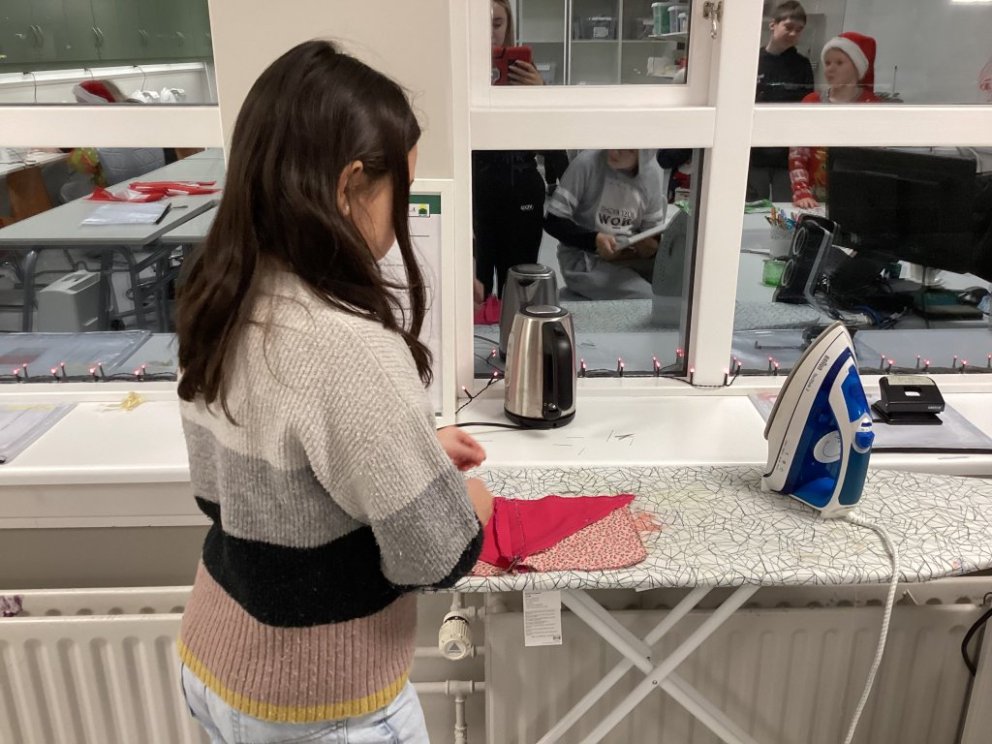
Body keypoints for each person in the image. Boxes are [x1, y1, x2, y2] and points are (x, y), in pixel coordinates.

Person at [174, 40, 493, 743]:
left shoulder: (221, 298)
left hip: (216, 666)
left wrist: (407, 450)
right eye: (402, 189)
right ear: (351, 185)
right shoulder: (348, 347)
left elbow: (229, 492)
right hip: (320, 706)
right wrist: (467, 499)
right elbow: (434, 554)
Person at [473, 0, 564, 307]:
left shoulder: (526, 73)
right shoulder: (462, 74)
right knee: (475, 286)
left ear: (508, 26)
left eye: (497, 24)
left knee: (519, 285)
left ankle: (514, 334)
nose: (490, 32)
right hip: (476, 189)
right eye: (482, 23)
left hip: (522, 189)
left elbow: (552, 144)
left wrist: (539, 96)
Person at [545, 149, 667, 300]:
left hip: (628, 254)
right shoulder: (587, 162)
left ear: (643, 155)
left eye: (626, 150)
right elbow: (553, 221)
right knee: (647, 299)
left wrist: (649, 247)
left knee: (676, 286)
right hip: (586, 258)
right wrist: (594, 240)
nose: (615, 152)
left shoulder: (651, 173)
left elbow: (652, 233)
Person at [790, 32, 881, 208]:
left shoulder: (871, 105)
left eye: (839, 63)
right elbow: (798, 153)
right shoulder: (812, 102)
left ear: (857, 68)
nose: (830, 69)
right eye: (827, 63)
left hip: (858, 199)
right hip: (813, 200)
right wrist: (801, 190)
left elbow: (876, 158)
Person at [747, 1, 814, 201]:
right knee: (752, 207)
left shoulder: (802, 65)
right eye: (788, 27)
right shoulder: (753, 60)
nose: (793, 34)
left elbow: (807, 109)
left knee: (785, 212)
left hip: (788, 155)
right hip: (754, 151)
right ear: (773, 25)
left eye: (799, 30)